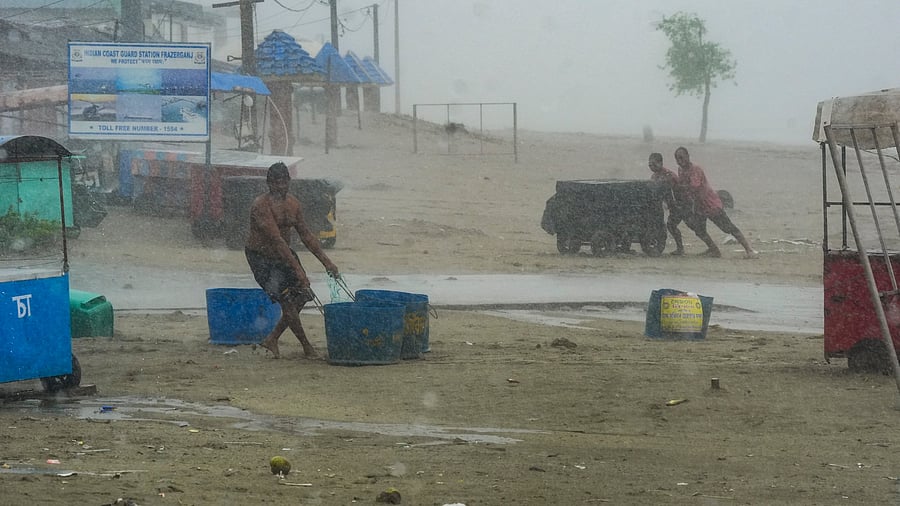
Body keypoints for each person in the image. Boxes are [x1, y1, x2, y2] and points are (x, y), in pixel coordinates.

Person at [245, 162, 340, 359]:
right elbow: (276, 240)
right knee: (287, 300)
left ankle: (272, 338)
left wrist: (327, 263)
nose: (280, 187)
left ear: (289, 182)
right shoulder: (261, 206)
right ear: (269, 183)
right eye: (276, 183)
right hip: (262, 258)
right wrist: (299, 271)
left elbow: (306, 236)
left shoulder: (293, 204)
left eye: (284, 182)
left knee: (303, 295)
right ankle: (307, 347)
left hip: (284, 254)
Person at [673, 146, 757, 259]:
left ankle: (749, 249)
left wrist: (679, 187)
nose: (680, 161)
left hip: (710, 203)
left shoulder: (695, 170)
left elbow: (694, 186)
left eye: (682, 158)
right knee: (699, 230)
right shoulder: (681, 170)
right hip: (698, 205)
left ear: (688, 157)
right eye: (677, 159)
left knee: (728, 228)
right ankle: (714, 250)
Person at [648, 152, 686, 255]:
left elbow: (676, 191)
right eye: (650, 165)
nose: (652, 167)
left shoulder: (669, 175)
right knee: (668, 225)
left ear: (661, 163)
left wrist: (677, 205)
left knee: (671, 225)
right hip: (669, 205)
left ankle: (680, 248)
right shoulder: (654, 176)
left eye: (654, 164)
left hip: (679, 204)